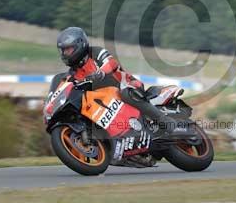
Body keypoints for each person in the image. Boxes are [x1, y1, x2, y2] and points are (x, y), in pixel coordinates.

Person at [56, 27, 185, 134]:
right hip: (107, 100)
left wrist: (101, 72)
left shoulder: (95, 52)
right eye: (63, 50)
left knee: (125, 93)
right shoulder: (73, 73)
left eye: (68, 49)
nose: (65, 53)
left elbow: (111, 63)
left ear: (80, 44)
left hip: (125, 85)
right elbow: (70, 87)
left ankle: (167, 123)